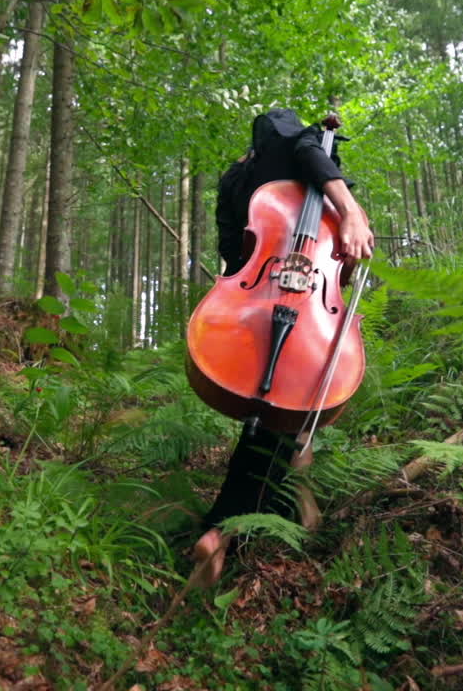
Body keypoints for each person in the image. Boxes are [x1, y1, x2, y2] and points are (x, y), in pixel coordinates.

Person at [190, 108, 374, 587]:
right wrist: (349, 211)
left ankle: (257, 517)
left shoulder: (233, 181)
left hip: (256, 297)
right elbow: (305, 147)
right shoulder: (283, 133)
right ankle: (226, 530)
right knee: (285, 401)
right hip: (301, 297)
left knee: (273, 406)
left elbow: (234, 250)